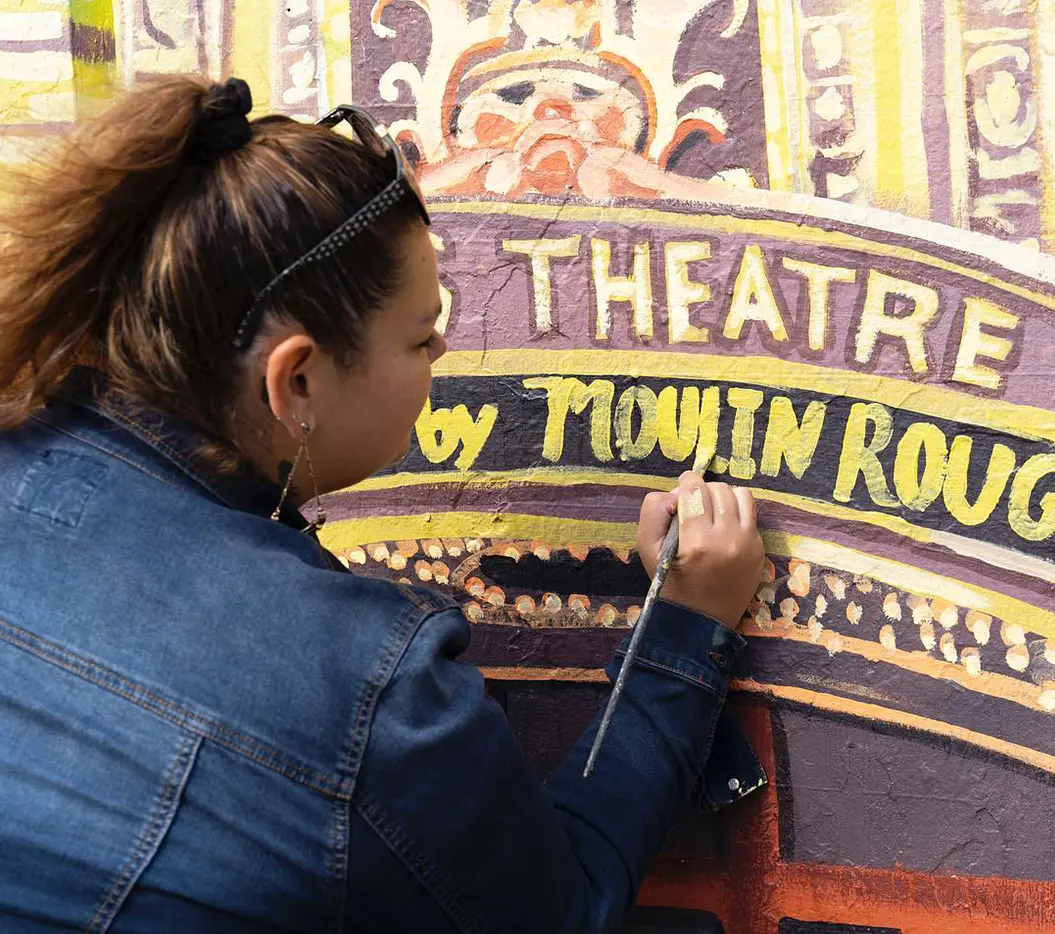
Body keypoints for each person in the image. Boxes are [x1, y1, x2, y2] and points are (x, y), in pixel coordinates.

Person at [0, 75, 765, 933]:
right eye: (419, 334)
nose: (444, 344)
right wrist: (689, 625)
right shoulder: (369, 692)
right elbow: (558, 912)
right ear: (297, 380)